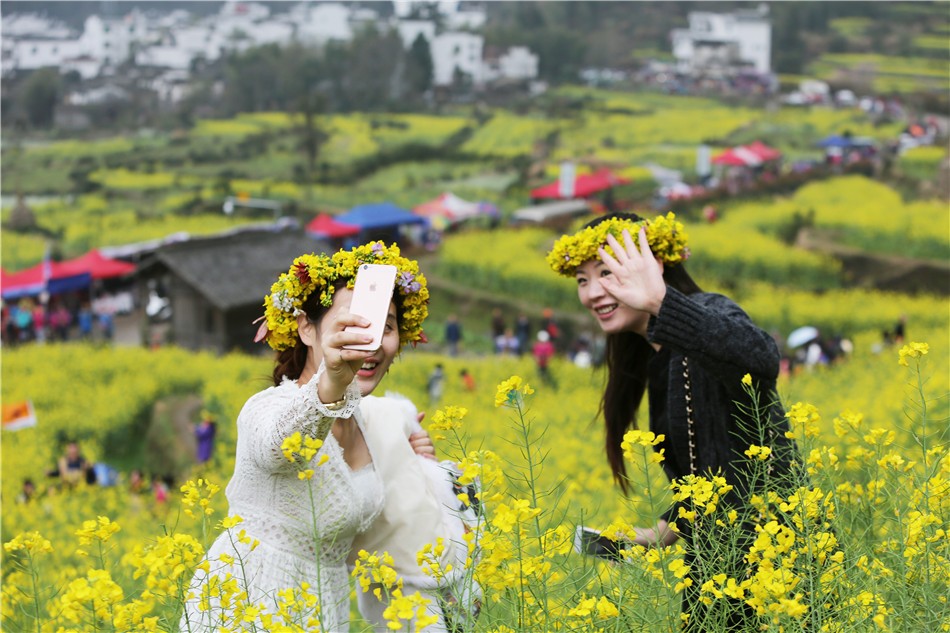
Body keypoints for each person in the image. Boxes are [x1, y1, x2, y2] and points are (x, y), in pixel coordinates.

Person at [181, 242, 476, 633]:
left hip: (323, 611)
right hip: (247, 610)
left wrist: (417, 464)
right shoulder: (267, 408)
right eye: (350, 325)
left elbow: (396, 525)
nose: (368, 342)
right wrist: (331, 384)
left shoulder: (373, 423)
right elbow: (278, 448)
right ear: (306, 328)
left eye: (385, 327)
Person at [546, 212, 801, 631]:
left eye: (606, 272)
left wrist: (662, 302)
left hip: (774, 563)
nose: (593, 293)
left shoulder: (710, 312)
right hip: (718, 567)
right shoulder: (654, 356)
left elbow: (761, 358)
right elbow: (711, 468)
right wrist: (657, 533)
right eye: (582, 280)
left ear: (654, 265)